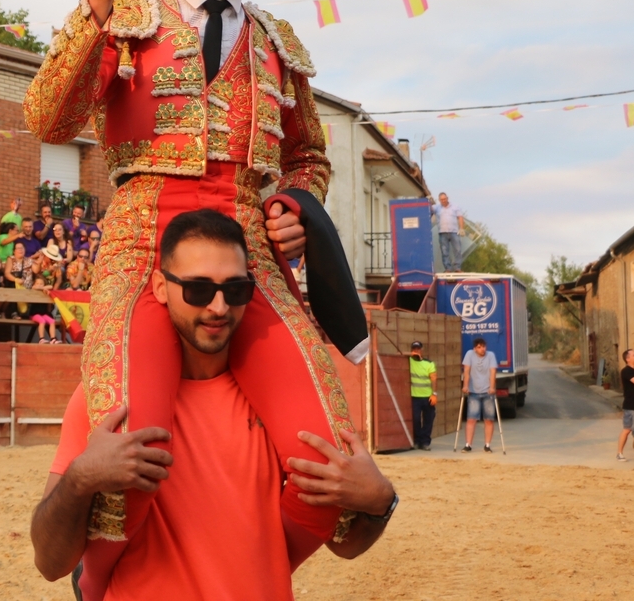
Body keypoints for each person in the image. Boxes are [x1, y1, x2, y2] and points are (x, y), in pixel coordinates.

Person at [25, 0, 355, 571]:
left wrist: (297, 205)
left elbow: (308, 158)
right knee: (127, 451)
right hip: (142, 248)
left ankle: (254, 571)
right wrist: (96, 0)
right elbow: (48, 120)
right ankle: (101, 585)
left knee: (329, 464)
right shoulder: (123, 15)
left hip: (248, 260)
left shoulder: (277, 46)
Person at [32, 210, 396, 599]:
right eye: (198, 289)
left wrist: (380, 502)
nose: (219, 307)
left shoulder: (278, 404)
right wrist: (79, 478)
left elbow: (347, 544)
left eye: (236, 289)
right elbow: (51, 564)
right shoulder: (102, 399)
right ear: (159, 286)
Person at [461, 337, 498, 453]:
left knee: (489, 420)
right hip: (474, 392)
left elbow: (493, 372)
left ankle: (487, 445)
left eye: (484, 346)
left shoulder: (490, 355)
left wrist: (492, 387)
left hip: (487, 392)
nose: (482, 349)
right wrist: (465, 386)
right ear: (474, 349)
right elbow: (466, 371)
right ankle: (468, 445)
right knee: (471, 419)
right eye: (479, 347)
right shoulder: (469, 354)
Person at [409, 340, 438, 451]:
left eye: (418, 349)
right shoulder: (409, 360)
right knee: (415, 419)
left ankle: (425, 442)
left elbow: (434, 379)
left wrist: (434, 394)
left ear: (422, 350)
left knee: (428, 420)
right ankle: (417, 441)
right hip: (414, 396)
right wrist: (410, 355)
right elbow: (398, 355)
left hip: (427, 396)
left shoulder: (429, 363)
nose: (416, 351)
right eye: (414, 349)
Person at [430, 192, 465, 273]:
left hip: (454, 232)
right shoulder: (436, 208)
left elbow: (460, 217)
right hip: (442, 232)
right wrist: (428, 201)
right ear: (439, 200)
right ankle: (448, 268)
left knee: (458, 250)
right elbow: (428, 209)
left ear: (447, 198)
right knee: (444, 251)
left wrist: (461, 228)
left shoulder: (455, 207)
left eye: (444, 199)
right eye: (441, 199)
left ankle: (457, 268)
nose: (443, 201)